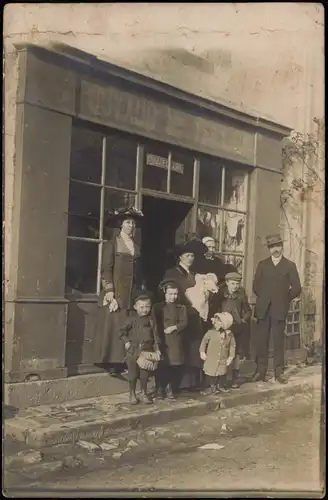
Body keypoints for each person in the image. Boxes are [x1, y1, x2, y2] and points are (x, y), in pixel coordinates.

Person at [95, 207, 146, 376]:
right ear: (121, 225)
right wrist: (109, 291)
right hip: (116, 292)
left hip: (130, 294)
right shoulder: (113, 243)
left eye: (133, 223)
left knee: (127, 326)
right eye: (128, 222)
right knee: (114, 325)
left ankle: (124, 361)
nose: (131, 226)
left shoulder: (135, 246)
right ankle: (111, 364)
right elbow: (105, 269)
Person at [252, 233, 302, 384]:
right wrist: (265, 297)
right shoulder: (262, 264)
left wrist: (283, 298)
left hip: (280, 309)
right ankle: (260, 372)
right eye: (272, 247)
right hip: (263, 309)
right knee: (262, 341)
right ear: (269, 249)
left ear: (282, 247)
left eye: (277, 246)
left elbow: (297, 288)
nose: (275, 249)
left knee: (278, 341)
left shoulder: (289, 266)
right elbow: (256, 286)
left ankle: (279, 372)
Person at [163, 240, 204, 391]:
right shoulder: (173, 273)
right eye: (187, 255)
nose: (190, 258)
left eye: (192, 255)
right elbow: (170, 291)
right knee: (180, 348)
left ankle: (192, 382)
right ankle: (178, 383)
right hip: (180, 314)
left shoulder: (195, 274)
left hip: (195, 315)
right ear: (180, 257)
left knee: (193, 347)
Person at [119, 291, 161, 405]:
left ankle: (143, 393)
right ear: (135, 307)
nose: (144, 309)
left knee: (144, 374)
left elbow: (155, 336)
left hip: (146, 351)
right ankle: (132, 394)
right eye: (141, 307)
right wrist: (126, 341)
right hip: (133, 351)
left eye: (147, 307)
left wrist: (157, 349)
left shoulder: (151, 321)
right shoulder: (131, 319)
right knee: (132, 374)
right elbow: (121, 332)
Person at [154, 279, 188, 400]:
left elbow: (184, 323)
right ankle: (160, 388)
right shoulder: (158, 307)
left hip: (175, 340)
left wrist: (174, 327)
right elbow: (154, 323)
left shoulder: (181, 308)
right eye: (170, 294)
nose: (173, 297)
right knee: (162, 365)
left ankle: (170, 388)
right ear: (165, 294)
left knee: (174, 365)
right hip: (162, 339)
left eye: (175, 294)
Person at [216, 272, 251, 389]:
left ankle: (234, 378)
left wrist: (243, 320)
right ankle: (222, 378)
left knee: (235, 353)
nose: (235, 286)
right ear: (227, 283)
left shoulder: (241, 295)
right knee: (223, 352)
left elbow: (248, 311)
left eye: (237, 284)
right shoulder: (221, 294)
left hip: (238, 328)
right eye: (232, 284)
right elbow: (214, 308)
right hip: (223, 328)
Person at [199, 312, 235, 394]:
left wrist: (231, 357)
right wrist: (202, 351)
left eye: (219, 322)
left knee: (222, 372)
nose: (215, 323)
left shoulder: (230, 335)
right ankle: (212, 386)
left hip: (223, 358)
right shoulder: (211, 332)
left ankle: (220, 385)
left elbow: (232, 346)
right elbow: (204, 341)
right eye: (216, 321)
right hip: (212, 357)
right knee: (211, 373)